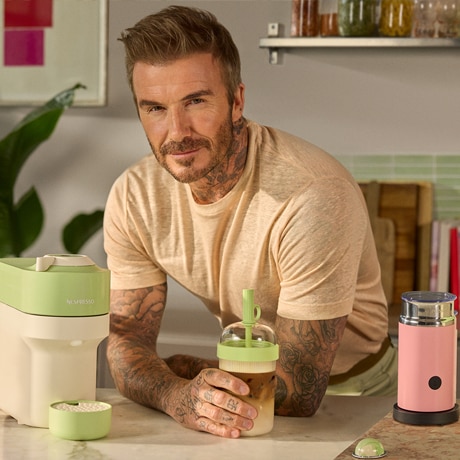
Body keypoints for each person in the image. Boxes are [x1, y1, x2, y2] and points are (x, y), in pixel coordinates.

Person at [104, 5, 397, 439]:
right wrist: (173, 392)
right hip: (243, 388)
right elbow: (125, 345)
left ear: (237, 100)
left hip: (357, 394)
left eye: (196, 101)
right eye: (155, 108)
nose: (177, 131)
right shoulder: (135, 197)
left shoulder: (312, 193)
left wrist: (187, 369)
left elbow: (298, 392)